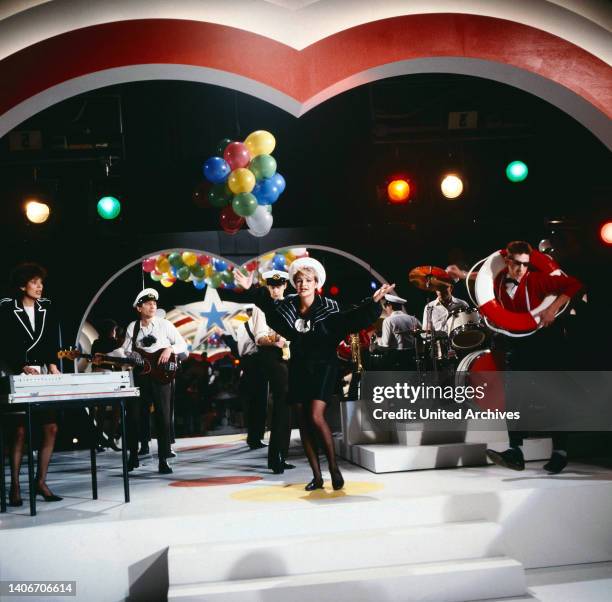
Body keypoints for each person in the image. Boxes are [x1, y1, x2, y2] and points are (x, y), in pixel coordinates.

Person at [235, 258, 392, 491]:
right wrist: (252, 288)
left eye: (308, 280)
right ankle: (317, 477)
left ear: (316, 282)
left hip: (324, 366)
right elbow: (268, 307)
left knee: (316, 416)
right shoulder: (287, 308)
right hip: (298, 366)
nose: (303, 284)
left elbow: (352, 318)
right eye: (298, 280)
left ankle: (333, 468)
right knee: (303, 421)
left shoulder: (329, 307)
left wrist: (373, 302)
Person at [452, 241, 582, 474]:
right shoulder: (499, 281)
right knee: (514, 396)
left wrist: (552, 309)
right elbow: (482, 280)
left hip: (544, 342)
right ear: (508, 261)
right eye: (517, 264)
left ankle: (560, 452)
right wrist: (462, 275)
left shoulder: (537, 280)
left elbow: (573, 284)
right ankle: (515, 452)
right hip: (516, 343)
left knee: (552, 395)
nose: (521, 269)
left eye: (525, 264)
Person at [0, 263, 62, 506]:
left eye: (41, 283)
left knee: (51, 427)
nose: (39, 287)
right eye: (34, 282)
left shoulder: (46, 309)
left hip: (41, 376)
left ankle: (41, 482)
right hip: (15, 376)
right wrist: (19, 365)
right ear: (22, 285)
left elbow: (48, 343)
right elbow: (3, 344)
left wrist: (53, 364)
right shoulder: (7, 309)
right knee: (19, 431)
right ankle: (15, 486)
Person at [114, 288, 188, 474]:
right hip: (141, 376)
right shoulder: (133, 327)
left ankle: (163, 459)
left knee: (163, 417)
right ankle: (133, 455)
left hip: (162, 378)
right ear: (139, 307)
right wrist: (130, 354)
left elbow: (182, 344)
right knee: (134, 416)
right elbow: (124, 350)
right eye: (148, 303)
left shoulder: (165, 324)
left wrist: (170, 349)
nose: (152, 305)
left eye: (154, 303)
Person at [255, 270, 294, 474]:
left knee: (288, 405)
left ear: (285, 286)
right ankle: (276, 456)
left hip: (291, 356)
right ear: (268, 287)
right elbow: (260, 337)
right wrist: (276, 341)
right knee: (281, 401)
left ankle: (282, 454)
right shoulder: (261, 308)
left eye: (279, 286)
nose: (276, 289)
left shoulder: (292, 304)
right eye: (272, 285)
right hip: (272, 356)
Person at [236, 307, 269, 450]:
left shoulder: (241, 327)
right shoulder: (261, 325)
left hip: (246, 363)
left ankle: (252, 437)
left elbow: (239, 349)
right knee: (260, 402)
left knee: (250, 403)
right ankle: (256, 438)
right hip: (258, 363)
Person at [90, 318, 123, 452]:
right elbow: (120, 361)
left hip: (98, 376)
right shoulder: (115, 343)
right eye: (114, 330)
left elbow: (93, 360)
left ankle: (99, 440)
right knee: (116, 408)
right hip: (112, 376)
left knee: (101, 409)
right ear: (111, 330)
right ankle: (110, 440)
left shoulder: (96, 343)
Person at [370, 293, 421, 369]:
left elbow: (385, 344)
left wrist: (377, 340)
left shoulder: (388, 320)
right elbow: (422, 334)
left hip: (397, 360)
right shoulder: (413, 319)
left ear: (390, 306)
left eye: (385, 306)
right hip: (412, 358)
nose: (385, 309)